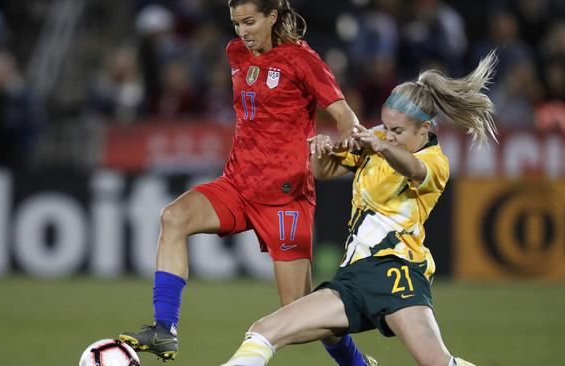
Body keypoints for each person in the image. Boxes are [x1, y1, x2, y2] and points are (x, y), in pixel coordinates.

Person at [119, 1, 376, 365]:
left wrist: (348, 139)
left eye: (250, 21)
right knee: (173, 217)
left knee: (300, 314)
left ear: (273, 16)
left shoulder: (303, 60)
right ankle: (165, 329)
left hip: (286, 198)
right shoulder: (235, 52)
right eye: (236, 23)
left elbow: (345, 116)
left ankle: (356, 363)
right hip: (237, 185)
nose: (242, 31)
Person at [220, 51, 498, 366]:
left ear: (425, 128)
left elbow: (414, 170)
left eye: (398, 131)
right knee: (263, 331)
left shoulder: (434, 161)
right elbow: (323, 172)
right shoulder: (378, 139)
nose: (388, 134)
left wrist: (382, 146)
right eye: (386, 126)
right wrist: (320, 150)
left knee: (436, 362)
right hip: (355, 276)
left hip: (397, 274)